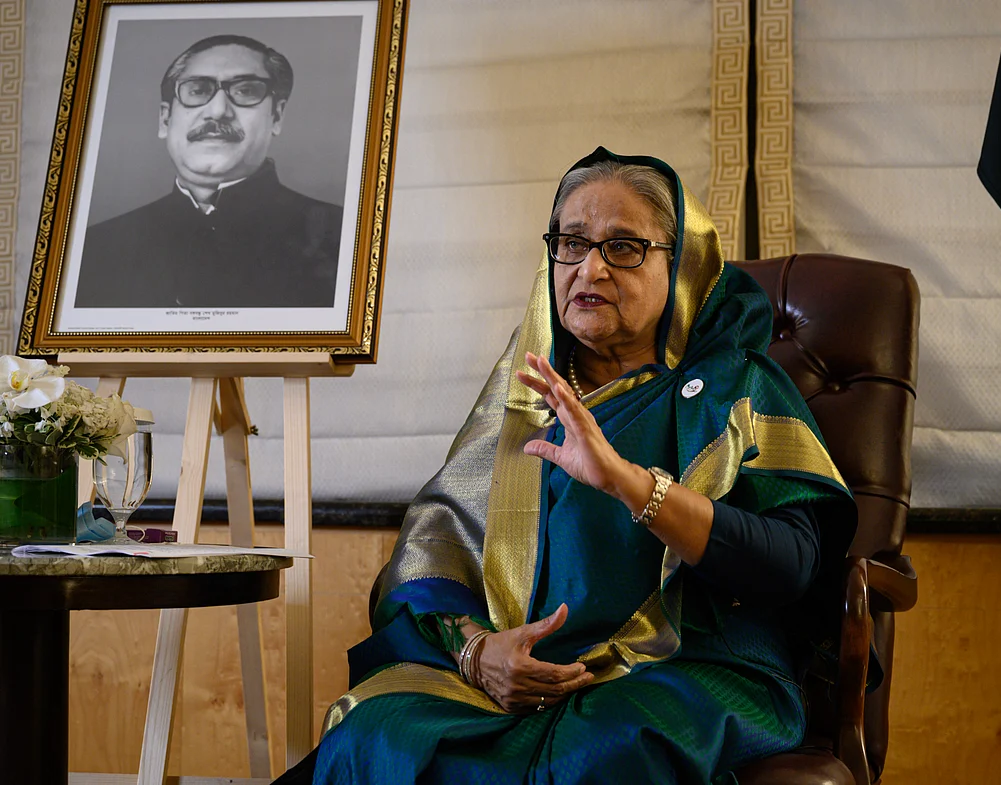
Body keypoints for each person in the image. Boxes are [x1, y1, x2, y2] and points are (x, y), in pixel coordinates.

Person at [282, 148, 857, 784]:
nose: (590, 268)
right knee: (372, 735)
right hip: (512, 684)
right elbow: (433, 560)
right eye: (572, 244)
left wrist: (629, 482)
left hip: (684, 669)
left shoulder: (734, 387)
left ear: (682, 264)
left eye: (624, 247)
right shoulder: (526, 394)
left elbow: (791, 564)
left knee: (595, 759)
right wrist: (479, 653)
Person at [75, 34, 342, 308]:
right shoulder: (93, 250)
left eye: (245, 91)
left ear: (277, 116)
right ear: (165, 119)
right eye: (198, 90)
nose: (217, 111)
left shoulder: (342, 240)